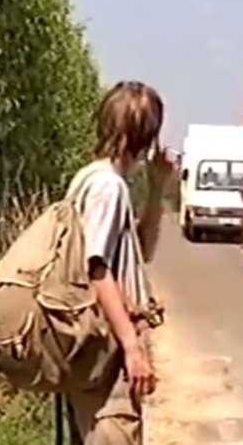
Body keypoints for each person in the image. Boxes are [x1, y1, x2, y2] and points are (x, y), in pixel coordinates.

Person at [64, 80, 174, 444]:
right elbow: (98, 268)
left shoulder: (89, 179)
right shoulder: (107, 187)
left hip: (92, 351)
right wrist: (132, 346)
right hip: (105, 352)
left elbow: (142, 251)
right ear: (143, 136)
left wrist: (157, 188)